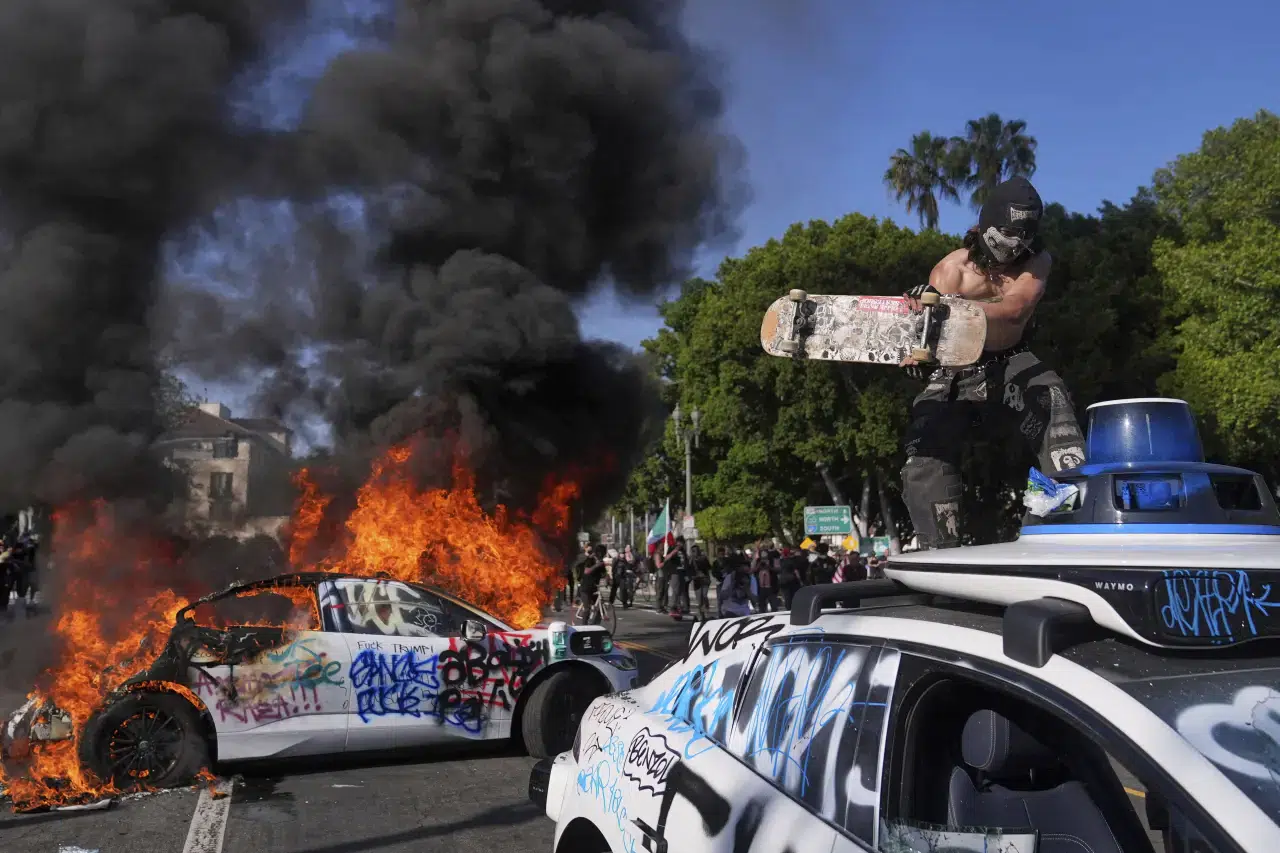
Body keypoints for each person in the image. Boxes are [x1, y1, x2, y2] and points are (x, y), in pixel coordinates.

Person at [899, 177, 1086, 550]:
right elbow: (926, 344)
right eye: (1010, 232)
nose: (1018, 243)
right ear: (986, 227)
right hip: (954, 366)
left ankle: (1046, 529)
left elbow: (1015, 311)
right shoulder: (951, 271)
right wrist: (917, 354)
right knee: (924, 445)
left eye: (1027, 234)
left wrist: (950, 308)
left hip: (1012, 359)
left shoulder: (1037, 261)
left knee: (1055, 406)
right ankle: (939, 546)